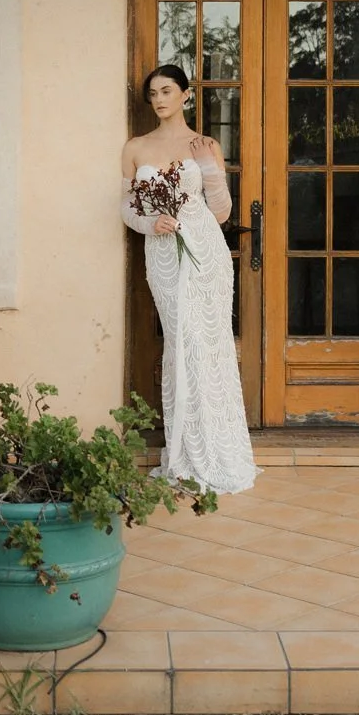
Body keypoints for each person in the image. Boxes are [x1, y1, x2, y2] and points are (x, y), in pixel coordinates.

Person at [120, 64, 258, 495]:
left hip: (204, 253)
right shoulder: (136, 147)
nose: (159, 99)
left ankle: (217, 450)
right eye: (153, 94)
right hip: (162, 254)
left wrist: (206, 165)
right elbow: (126, 207)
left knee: (207, 345)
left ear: (185, 94)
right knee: (182, 341)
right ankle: (184, 452)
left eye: (167, 91)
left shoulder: (206, 144)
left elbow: (221, 212)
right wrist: (149, 222)